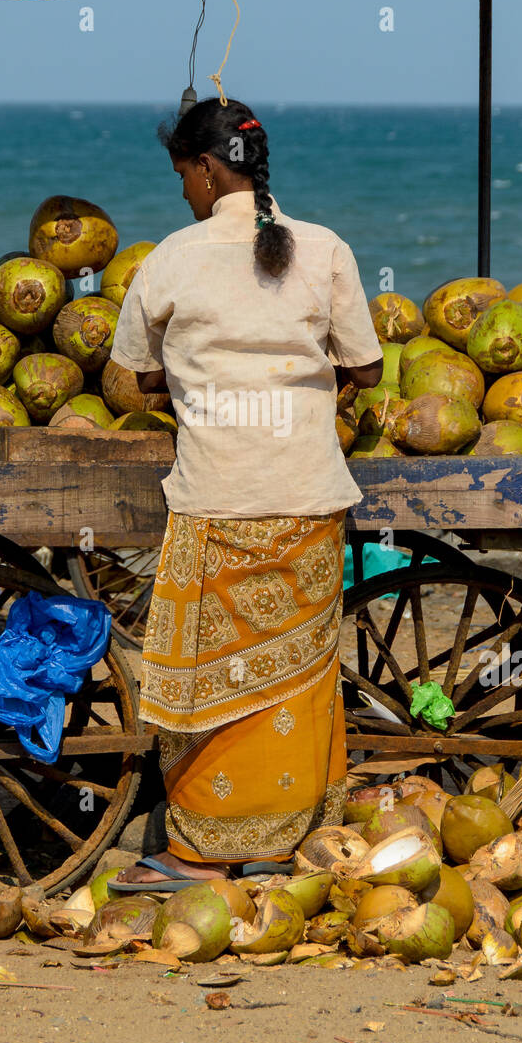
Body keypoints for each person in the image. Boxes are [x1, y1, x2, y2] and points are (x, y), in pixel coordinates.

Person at [109, 97, 383, 889]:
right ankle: (287, 839)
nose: (184, 195)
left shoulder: (171, 258)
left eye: (183, 179)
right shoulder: (326, 248)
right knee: (294, 680)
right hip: (307, 495)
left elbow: (136, 376)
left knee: (208, 681)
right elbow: (363, 368)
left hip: (217, 497)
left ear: (204, 168)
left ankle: (200, 849)